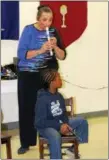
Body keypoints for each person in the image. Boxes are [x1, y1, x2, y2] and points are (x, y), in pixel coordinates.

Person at [17, 5, 66, 154]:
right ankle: (26, 142)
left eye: (50, 20)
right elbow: (21, 54)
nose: (47, 23)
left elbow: (62, 56)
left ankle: (49, 138)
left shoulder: (53, 31)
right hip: (28, 74)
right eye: (44, 20)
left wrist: (56, 46)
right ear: (38, 19)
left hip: (46, 76)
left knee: (49, 109)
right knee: (28, 108)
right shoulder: (28, 30)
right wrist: (41, 49)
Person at [34, 69, 88, 159]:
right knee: (55, 136)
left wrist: (65, 124)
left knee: (82, 122)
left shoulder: (59, 96)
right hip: (46, 127)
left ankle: (72, 149)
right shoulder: (42, 99)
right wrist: (60, 126)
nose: (61, 79)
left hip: (59, 123)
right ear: (52, 82)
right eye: (59, 77)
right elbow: (40, 122)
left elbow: (63, 114)